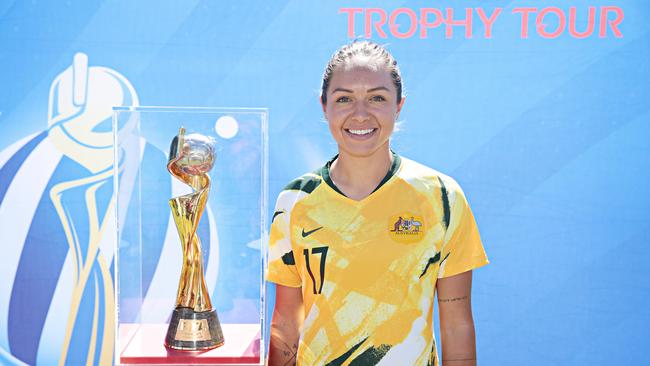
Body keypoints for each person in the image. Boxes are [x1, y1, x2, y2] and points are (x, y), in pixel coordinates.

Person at [266, 41, 489, 366]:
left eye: (377, 98)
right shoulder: (295, 200)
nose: (360, 114)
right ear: (324, 105)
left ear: (399, 105)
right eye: (344, 99)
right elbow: (286, 322)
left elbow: (456, 324)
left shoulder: (441, 197)